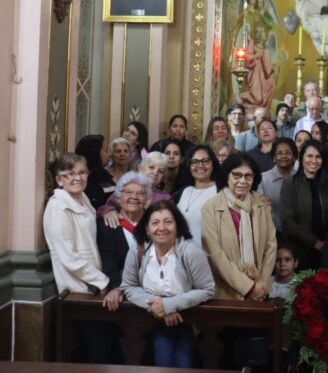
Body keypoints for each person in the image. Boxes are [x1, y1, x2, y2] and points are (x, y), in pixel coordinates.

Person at [44, 154, 120, 363]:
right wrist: (103, 282)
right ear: (59, 180)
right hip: (80, 289)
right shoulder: (58, 207)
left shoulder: (82, 197)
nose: (77, 178)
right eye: (70, 174)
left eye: (82, 172)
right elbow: (68, 257)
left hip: (93, 285)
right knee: (96, 349)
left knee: (106, 344)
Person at [121, 201, 215, 368]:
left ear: (177, 226)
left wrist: (169, 305)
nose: (162, 227)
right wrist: (158, 305)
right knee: (162, 356)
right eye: (155, 222)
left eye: (168, 222)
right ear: (147, 229)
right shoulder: (137, 250)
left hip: (187, 319)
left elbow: (207, 289)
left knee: (182, 362)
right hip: (148, 320)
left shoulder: (191, 252)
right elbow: (128, 286)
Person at [202, 153, 276, 300]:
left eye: (248, 176)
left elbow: (271, 245)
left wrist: (260, 284)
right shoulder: (211, 207)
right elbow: (215, 254)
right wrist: (247, 287)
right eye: (236, 175)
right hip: (226, 291)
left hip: (259, 291)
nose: (242, 181)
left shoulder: (262, 204)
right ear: (226, 176)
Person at [280, 140, 328, 269]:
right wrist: (315, 243)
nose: (314, 160)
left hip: (327, 248)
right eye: (310, 156)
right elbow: (287, 222)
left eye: (318, 157)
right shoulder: (289, 183)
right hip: (299, 250)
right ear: (301, 158)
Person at [97, 172, 152, 312]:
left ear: (147, 200)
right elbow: (109, 266)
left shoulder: (155, 226)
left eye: (140, 193)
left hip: (153, 293)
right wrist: (119, 288)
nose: (134, 197)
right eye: (128, 192)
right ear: (118, 197)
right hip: (121, 297)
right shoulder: (107, 226)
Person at [98, 152, 172, 223]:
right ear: (140, 168)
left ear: (163, 176)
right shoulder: (126, 188)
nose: (155, 173)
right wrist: (109, 210)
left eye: (161, 171)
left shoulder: (166, 198)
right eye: (151, 167)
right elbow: (105, 207)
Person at [175, 145, 220, 243]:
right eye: (194, 162)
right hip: (182, 254)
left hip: (210, 255)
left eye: (205, 161)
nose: (200, 165)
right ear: (188, 165)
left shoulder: (220, 191)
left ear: (213, 163)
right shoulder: (183, 191)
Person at [258, 138, 297, 232]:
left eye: (288, 153)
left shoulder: (301, 178)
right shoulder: (263, 179)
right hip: (271, 232)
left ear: (294, 157)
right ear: (274, 158)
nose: (284, 156)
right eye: (279, 153)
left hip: (298, 232)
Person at [76, 134, 115, 209]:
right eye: (106, 150)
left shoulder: (104, 174)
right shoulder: (82, 179)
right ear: (95, 153)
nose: (110, 154)